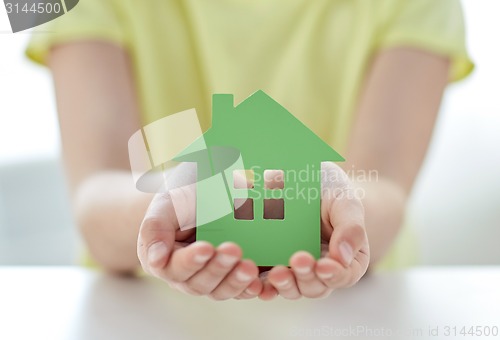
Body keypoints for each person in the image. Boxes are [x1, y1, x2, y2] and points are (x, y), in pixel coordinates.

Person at [26, 0, 473, 300]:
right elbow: (94, 193)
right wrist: (171, 206)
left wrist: (328, 213)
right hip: (139, 313)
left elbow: (386, 187)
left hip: (352, 310)